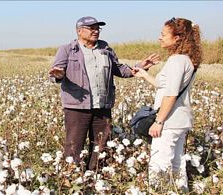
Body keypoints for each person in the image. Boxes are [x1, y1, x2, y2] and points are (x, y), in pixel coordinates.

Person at [49, 16, 160, 170]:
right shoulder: (67, 50)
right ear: (79, 31)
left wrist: (141, 66)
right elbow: (55, 74)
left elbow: (120, 69)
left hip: (102, 106)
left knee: (101, 146)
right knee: (74, 146)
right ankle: (71, 177)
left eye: (97, 28)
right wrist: (58, 75)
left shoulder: (105, 48)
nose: (95, 31)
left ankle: (95, 177)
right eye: (91, 28)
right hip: (77, 108)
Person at [132, 17, 202, 191]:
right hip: (180, 120)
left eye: (163, 34)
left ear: (177, 38)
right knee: (177, 163)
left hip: (169, 121)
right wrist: (145, 75)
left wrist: (159, 121)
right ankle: (181, 191)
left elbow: (170, 95)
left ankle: (158, 191)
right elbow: (164, 85)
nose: (160, 38)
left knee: (159, 163)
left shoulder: (177, 61)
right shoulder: (186, 60)